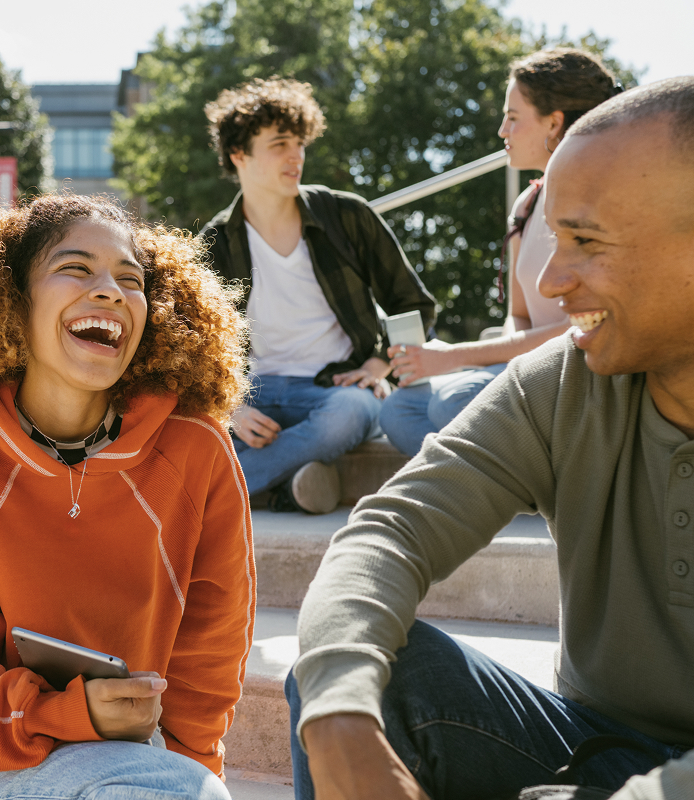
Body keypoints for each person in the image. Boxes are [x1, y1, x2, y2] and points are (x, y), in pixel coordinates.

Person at [287, 76, 694, 800]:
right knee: (356, 668)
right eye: (554, 235)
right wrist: (338, 718)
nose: (550, 279)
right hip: (593, 746)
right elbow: (390, 532)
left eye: (585, 241)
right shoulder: (564, 382)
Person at [0, 193, 255, 799]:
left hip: (114, 755)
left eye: (131, 279)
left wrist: (191, 774)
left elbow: (208, 657)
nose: (111, 290)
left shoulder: (199, 450)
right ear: (10, 299)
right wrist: (66, 714)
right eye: (76, 268)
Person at [200, 77, 436, 513]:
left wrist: (380, 361)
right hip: (252, 395)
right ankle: (286, 489)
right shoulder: (215, 242)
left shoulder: (346, 217)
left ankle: (218, 498)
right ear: (239, 156)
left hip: (333, 391)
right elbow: (193, 345)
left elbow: (414, 303)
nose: (297, 156)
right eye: (280, 144)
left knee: (352, 412)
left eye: (300, 143)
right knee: (190, 422)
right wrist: (228, 407)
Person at [380, 48, 623, 456]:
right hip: (529, 370)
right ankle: (520, 478)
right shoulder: (525, 208)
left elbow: (586, 325)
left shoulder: (602, 204)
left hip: (581, 372)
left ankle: (502, 481)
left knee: (453, 399)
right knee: (399, 411)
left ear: (554, 122)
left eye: (512, 117)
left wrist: (458, 356)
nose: (501, 131)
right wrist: (507, 367)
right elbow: (519, 315)